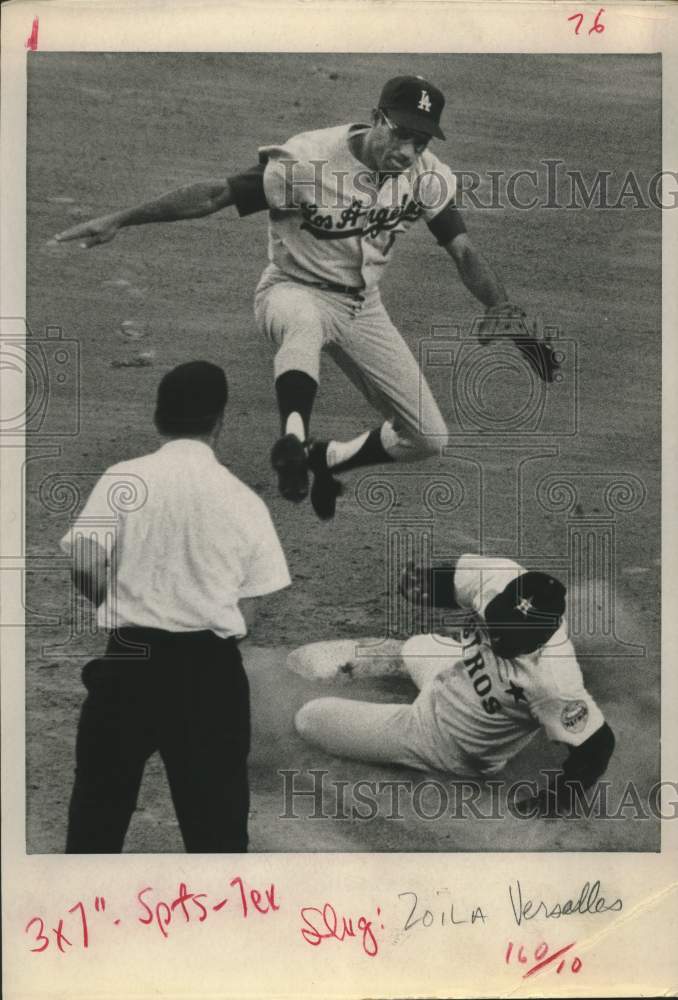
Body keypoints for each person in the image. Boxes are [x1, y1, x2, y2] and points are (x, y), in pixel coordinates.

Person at [55, 75, 559, 520]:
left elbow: (463, 249)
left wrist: (501, 308)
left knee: (428, 438)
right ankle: (292, 437)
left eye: (421, 140)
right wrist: (120, 219)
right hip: (291, 290)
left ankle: (324, 459)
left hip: (364, 308)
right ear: (376, 118)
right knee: (303, 324)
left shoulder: (427, 176)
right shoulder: (308, 159)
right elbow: (217, 195)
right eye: (401, 133)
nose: (408, 150)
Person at [60, 361, 291, 852]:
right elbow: (251, 608)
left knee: (95, 824)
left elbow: (83, 564)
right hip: (209, 673)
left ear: (158, 419)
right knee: (217, 834)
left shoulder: (123, 478)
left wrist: (118, 605)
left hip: (128, 659)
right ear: (220, 421)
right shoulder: (245, 500)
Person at [294, 554, 615, 815]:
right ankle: (403, 659)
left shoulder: (554, 682)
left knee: (309, 718)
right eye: (498, 623)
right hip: (456, 674)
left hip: (443, 743)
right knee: (418, 645)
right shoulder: (500, 575)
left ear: (543, 636)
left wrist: (555, 800)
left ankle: (403, 712)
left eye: (512, 636)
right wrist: (426, 586)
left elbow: (597, 746)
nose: (499, 636)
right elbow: (450, 580)